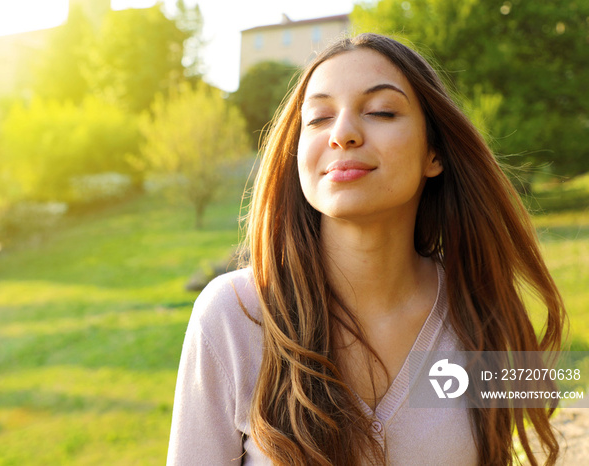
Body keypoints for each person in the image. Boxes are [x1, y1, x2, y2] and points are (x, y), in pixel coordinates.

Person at [167, 33, 567, 465]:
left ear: (434, 152)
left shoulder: (475, 308)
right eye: (318, 118)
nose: (342, 134)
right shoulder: (234, 317)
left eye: (380, 111)